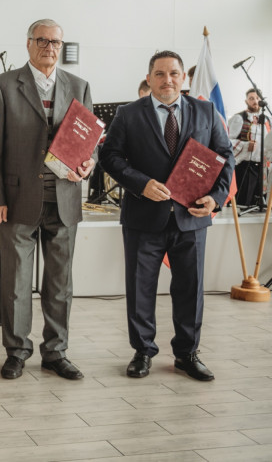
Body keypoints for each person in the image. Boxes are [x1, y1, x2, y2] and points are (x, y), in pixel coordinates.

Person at [100, 50, 234, 381]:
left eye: (173, 73)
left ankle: (187, 354)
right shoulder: (129, 114)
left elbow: (225, 156)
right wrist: (140, 184)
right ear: (149, 78)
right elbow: (110, 156)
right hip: (143, 217)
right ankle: (143, 351)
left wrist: (216, 198)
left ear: (183, 77)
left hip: (192, 216)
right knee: (140, 288)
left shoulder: (206, 110)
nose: (167, 80)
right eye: (159, 74)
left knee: (191, 289)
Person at [0, 18, 94, 381]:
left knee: (60, 284)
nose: (49, 47)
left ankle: (56, 352)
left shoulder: (79, 86)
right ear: (28, 43)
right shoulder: (2, 85)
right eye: (42, 40)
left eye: (55, 42)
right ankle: (17, 351)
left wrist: (89, 163)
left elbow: (88, 143)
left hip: (64, 198)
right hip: (17, 199)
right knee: (16, 284)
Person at [228, 88, 268, 206]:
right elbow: (227, 141)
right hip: (245, 167)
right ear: (246, 101)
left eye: (257, 98)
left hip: (262, 167)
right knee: (243, 203)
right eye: (251, 98)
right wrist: (245, 146)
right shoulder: (238, 118)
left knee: (259, 205)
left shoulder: (266, 120)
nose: (255, 101)